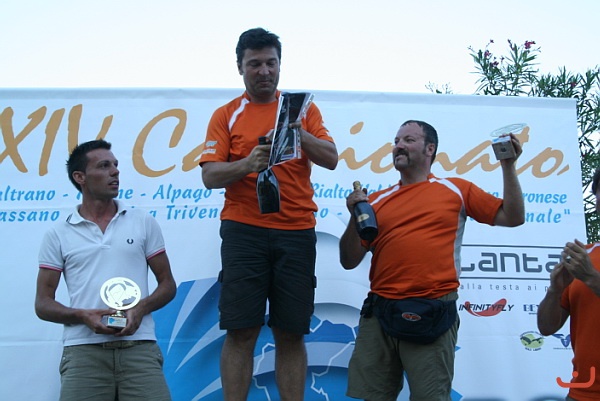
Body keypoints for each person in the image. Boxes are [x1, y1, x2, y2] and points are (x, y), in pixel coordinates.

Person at [340, 120, 525, 401]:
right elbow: (348, 260)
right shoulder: (375, 201)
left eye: (408, 140)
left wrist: (508, 166)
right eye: (396, 141)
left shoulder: (456, 190)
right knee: (373, 397)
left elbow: (513, 217)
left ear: (430, 149)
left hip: (432, 311)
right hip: (380, 313)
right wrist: (354, 215)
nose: (399, 146)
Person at [199, 27, 338, 401]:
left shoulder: (302, 110)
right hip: (244, 231)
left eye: (271, 63)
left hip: (296, 231)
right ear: (240, 67)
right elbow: (209, 176)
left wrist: (300, 133)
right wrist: (247, 164)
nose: (264, 71)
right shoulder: (226, 114)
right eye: (255, 64)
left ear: (280, 64)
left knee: (291, 332)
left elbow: (331, 158)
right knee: (241, 330)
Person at [35, 139, 176, 401]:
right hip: (83, 351)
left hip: (139, 348)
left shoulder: (143, 221)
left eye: (115, 165)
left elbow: (167, 284)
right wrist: (83, 315)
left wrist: (140, 309)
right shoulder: (58, 233)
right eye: (104, 166)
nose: (115, 171)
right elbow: (43, 304)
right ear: (80, 177)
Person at [537, 168, 600, 401]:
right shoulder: (585, 256)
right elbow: (546, 327)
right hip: (582, 393)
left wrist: (591, 278)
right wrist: (554, 291)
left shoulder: (586, 267)